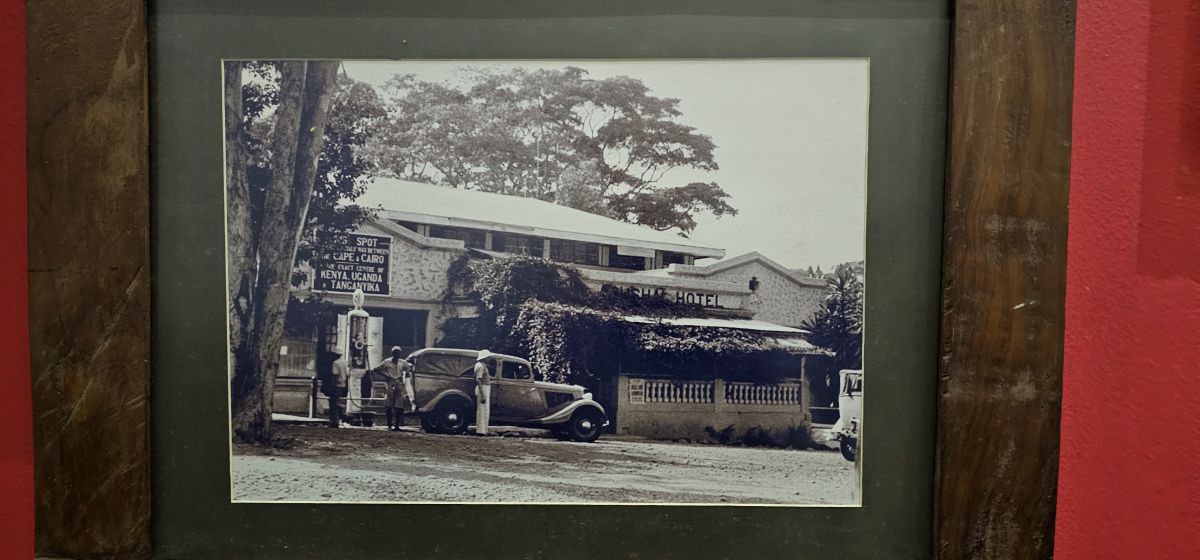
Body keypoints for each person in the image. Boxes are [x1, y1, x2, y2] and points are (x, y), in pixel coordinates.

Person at [370, 346, 413, 431]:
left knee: (399, 405)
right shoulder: (387, 362)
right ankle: (389, 424)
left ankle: (397, 425)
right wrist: (386, 375)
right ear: (392, 353)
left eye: (398, 352)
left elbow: (410, 368)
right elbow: (376, 369)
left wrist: (407, 373)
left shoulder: (402, 362)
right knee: (389, 404)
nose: (397, 354)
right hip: (390, 382)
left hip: (399, 383)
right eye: (395, 352)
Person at [325, 350, 349, 428]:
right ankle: (342, 417)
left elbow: (335, 375)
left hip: (336, 385)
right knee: (337, 403)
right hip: (343, 384)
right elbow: (347, 374)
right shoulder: (344, 362)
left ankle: (334, 421)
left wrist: (332, 384)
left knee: (333, 404)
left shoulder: (335, 363)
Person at [474, 349, 493, 436]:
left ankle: (483, 430)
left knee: (485, 409)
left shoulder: (481, 365)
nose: (489, 359)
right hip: (483, 388)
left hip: (485, 387)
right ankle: (481, 430)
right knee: (482, 410)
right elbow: (478, 379)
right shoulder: (480, 366)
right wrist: (482, 394)